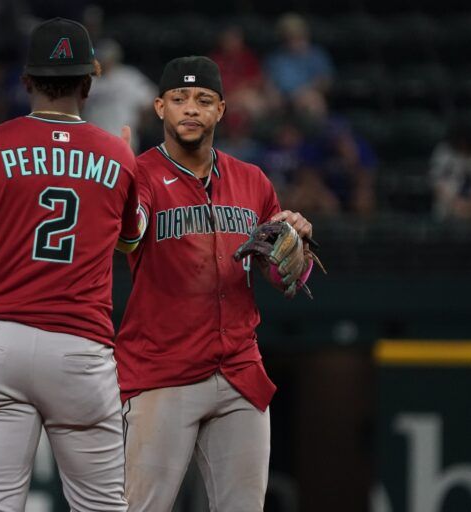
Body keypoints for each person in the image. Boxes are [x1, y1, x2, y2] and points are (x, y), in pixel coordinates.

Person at [0, 18, 140, 511]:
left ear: (26, 81)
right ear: (88, 82)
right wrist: (126, 169)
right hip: (80, 348)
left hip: (0, 346)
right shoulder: (118, 156)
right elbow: (130, 241)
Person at [114, 56, 315, 512]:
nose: (191, 109)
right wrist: (122, 193)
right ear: (159, 107)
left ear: (221, 110)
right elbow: (128, 238)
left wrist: (296, 244)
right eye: (180, 99)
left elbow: (285, 276)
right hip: (163, 371)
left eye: (203, 100)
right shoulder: (141, 175)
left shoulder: (253, 180)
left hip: (240, 371)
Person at [81, 39, 156, 152]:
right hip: (93, 145)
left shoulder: (128, 77)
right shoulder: (89, 81)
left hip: (122, 143)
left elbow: (151, 100)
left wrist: (140, 125)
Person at [430, 118, 471, 220]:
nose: (463, 145)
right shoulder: (444, 152)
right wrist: (454, 202)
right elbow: (437, 182)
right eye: (459, 142)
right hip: (449, 204)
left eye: (465, 142)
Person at [266, 13, 334, 113]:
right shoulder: (276, 58)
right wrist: (273, 94)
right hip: (282, 99)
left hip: (306, 95)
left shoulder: (316, 55)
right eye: (288, 36)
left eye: (297, 36)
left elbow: (325, 81)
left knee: (313, 102)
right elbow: (269, 82)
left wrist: (304, 91)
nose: (293, 40)